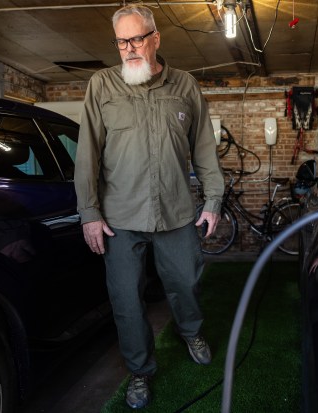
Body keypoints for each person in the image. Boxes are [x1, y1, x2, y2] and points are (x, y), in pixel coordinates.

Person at [74, 4, 224, 409]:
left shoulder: (185, 85)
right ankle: (140, 370)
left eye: (137, 38)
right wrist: (89, 212)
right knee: (125, 299)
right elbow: (86, 154)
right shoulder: (101, 86)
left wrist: (212, 201)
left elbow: (204, 150)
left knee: (186, 284)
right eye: (121, 41)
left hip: (176, 213)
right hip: (119, 218)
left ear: (156, 38)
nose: (129, 48)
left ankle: (190, 330)